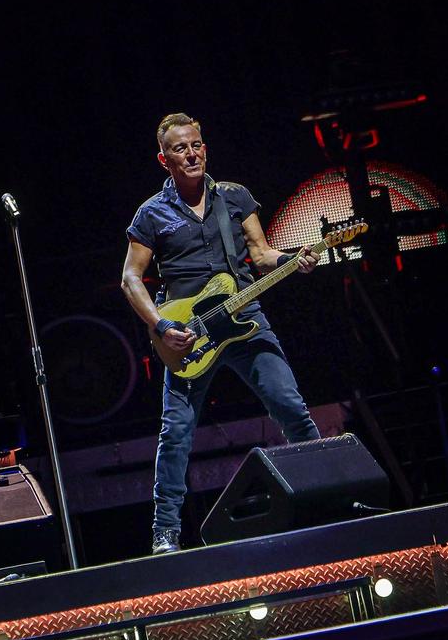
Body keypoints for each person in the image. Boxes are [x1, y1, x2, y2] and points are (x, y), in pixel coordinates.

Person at [120, 113, 318, 555]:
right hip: (190, 333)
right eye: (180, 149)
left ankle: (325, 490)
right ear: (164, 159)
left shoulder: (234, 196)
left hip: (244, 316)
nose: (191, 153)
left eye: (196, 145)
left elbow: (262, 254)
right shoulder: (151, 214)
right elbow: (131, 279)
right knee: (176, 432)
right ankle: (166, 531)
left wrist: (293, 258)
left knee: (289, 405)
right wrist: (162, 325)